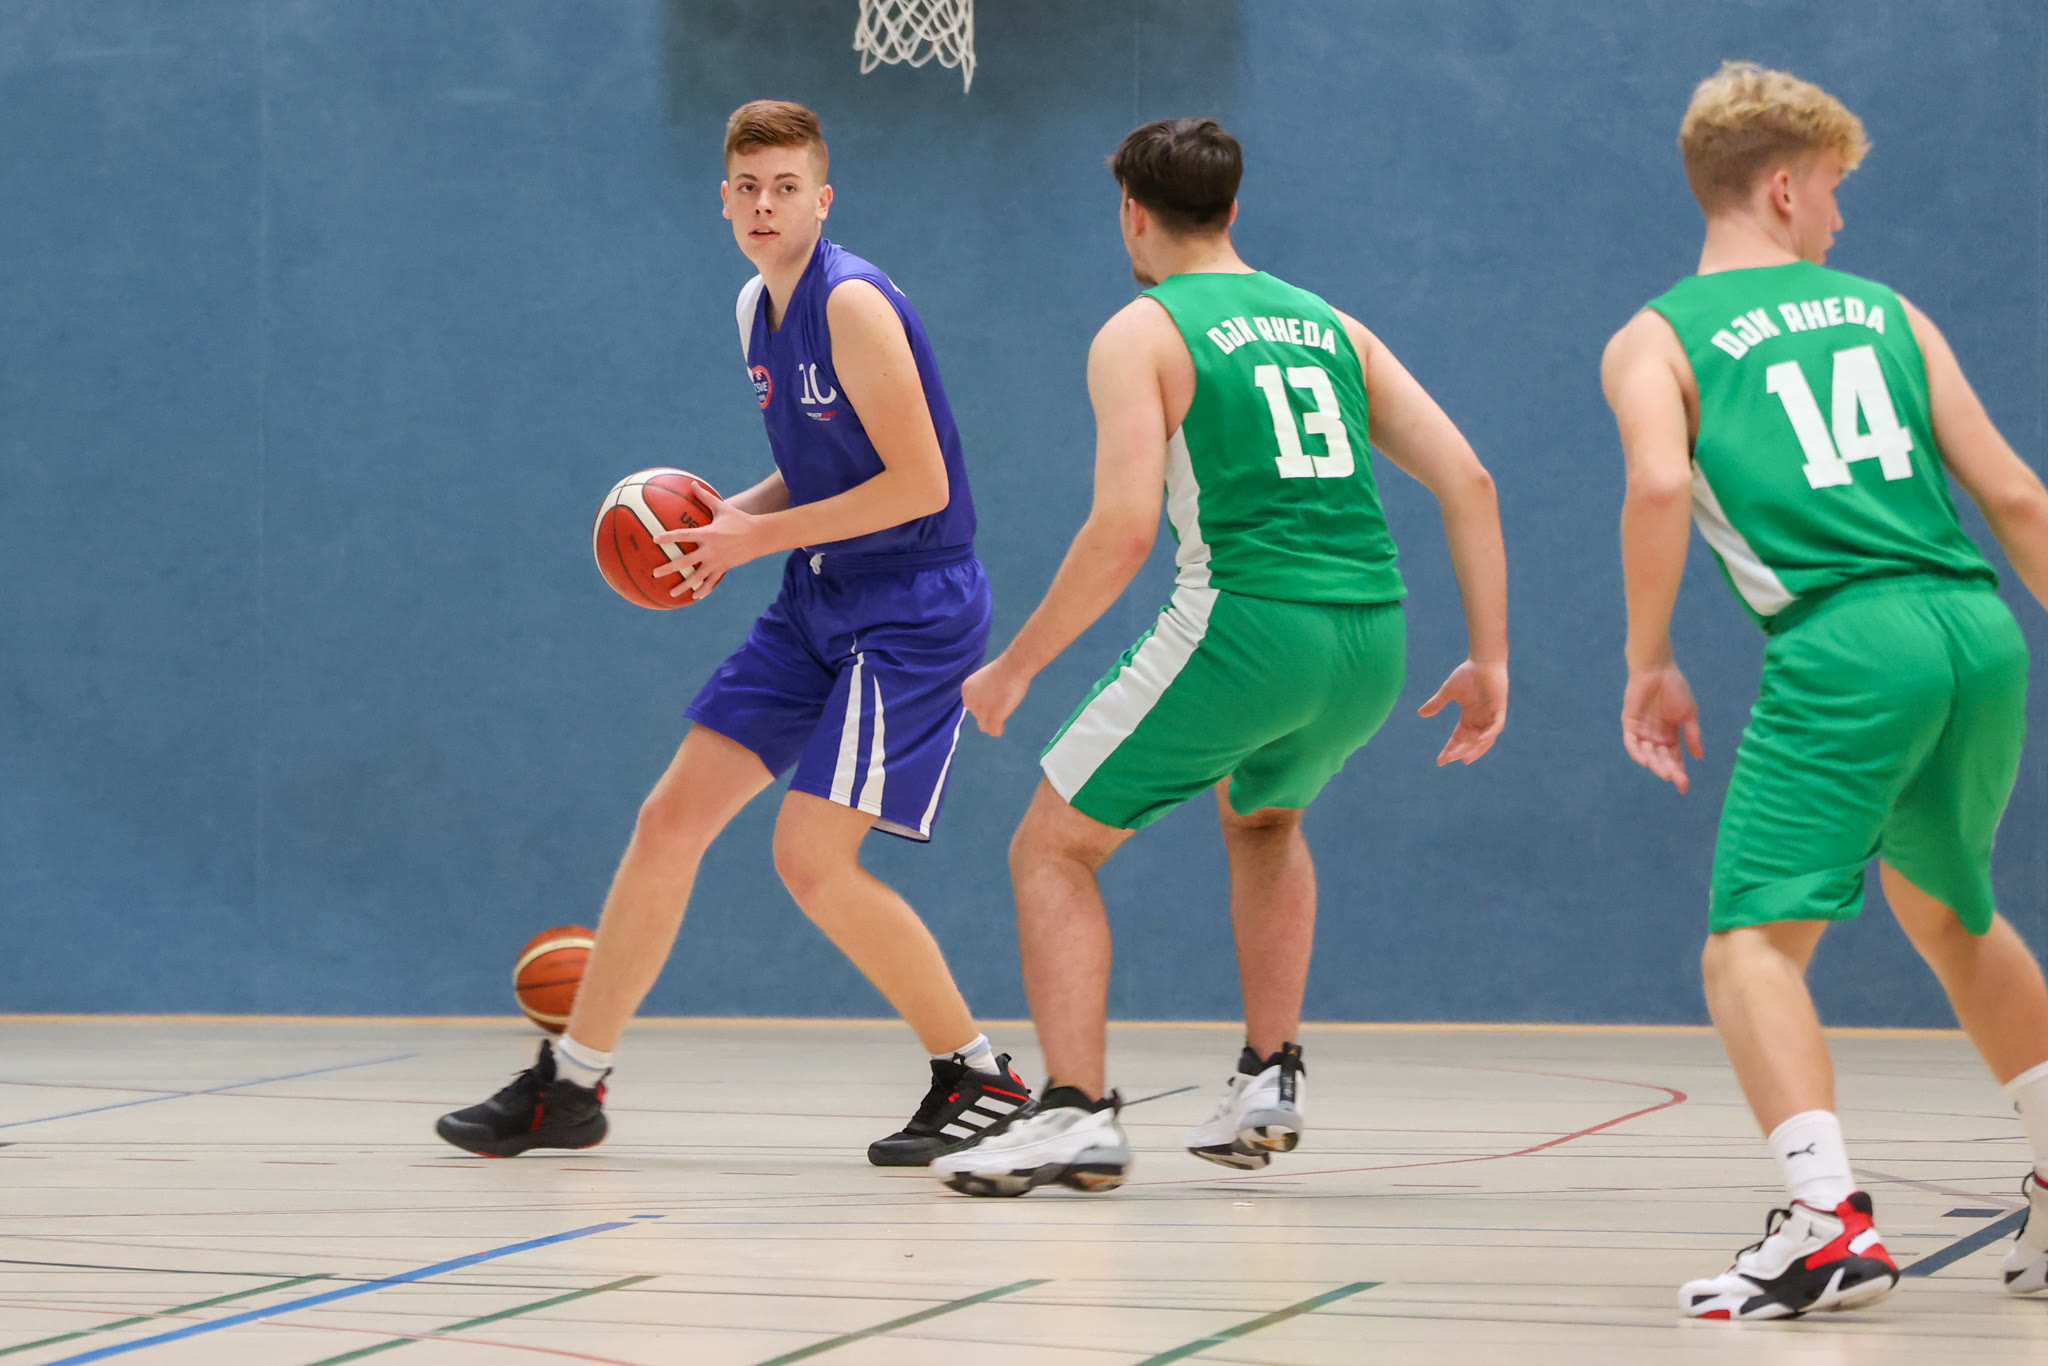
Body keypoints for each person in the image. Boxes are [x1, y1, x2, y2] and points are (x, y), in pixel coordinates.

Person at [437, 100, 1029, 1166]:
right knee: (670, 818)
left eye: (786, 188)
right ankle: (571, 1085)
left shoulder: (851, 304)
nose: (765, 205)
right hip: (819, 590)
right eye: (748, 189)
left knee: (809, 858)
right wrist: (728, 524)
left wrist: (755, 540)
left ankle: (977, 1073)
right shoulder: (757, 306)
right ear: (723, 200)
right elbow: (820, 471)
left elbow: (920, 485)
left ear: (822, 199)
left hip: (911, 607)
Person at [930, 117, 1510, 1197]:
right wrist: (1489, 659)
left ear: (1131, 214)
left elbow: (1121, 533)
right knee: (1264, 818)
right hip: (1372, 637)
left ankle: (1072, 1112)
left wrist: (1016, 665)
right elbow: (1469, 480)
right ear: (1233, 208)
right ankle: (1268, 1076)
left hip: (1248, 625)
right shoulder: (1333, 326)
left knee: (1052, 849)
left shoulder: (1142, 331)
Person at [1601, 62, 2048, 1319]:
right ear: (1784, 188)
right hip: (1975, 629)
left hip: (1848, 643)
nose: (1841, 218)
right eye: (1835, 190)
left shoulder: (1653, 338)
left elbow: (1655, 485)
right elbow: (2014, 496)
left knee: (1750, 942)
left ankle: (1825, 1224)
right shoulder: (1888, 313)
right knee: (1951, 910)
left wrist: (1647, 656)